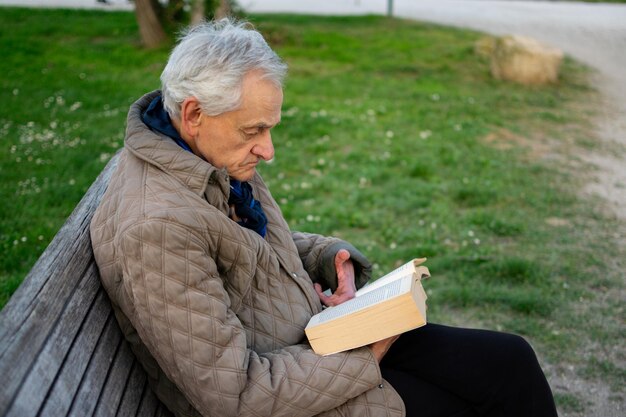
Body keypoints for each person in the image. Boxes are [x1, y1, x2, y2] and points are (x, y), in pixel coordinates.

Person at [90, 19, 558, 417]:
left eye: (270, 128)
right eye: (255, 131)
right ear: (194, 113)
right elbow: (234, 395)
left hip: (318, 339)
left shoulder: (200, 154)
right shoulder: (156, 227)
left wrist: (329, 257)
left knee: (510, 360)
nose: (268, 150)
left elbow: (247, 245)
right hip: (295, 390)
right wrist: (365, 356)